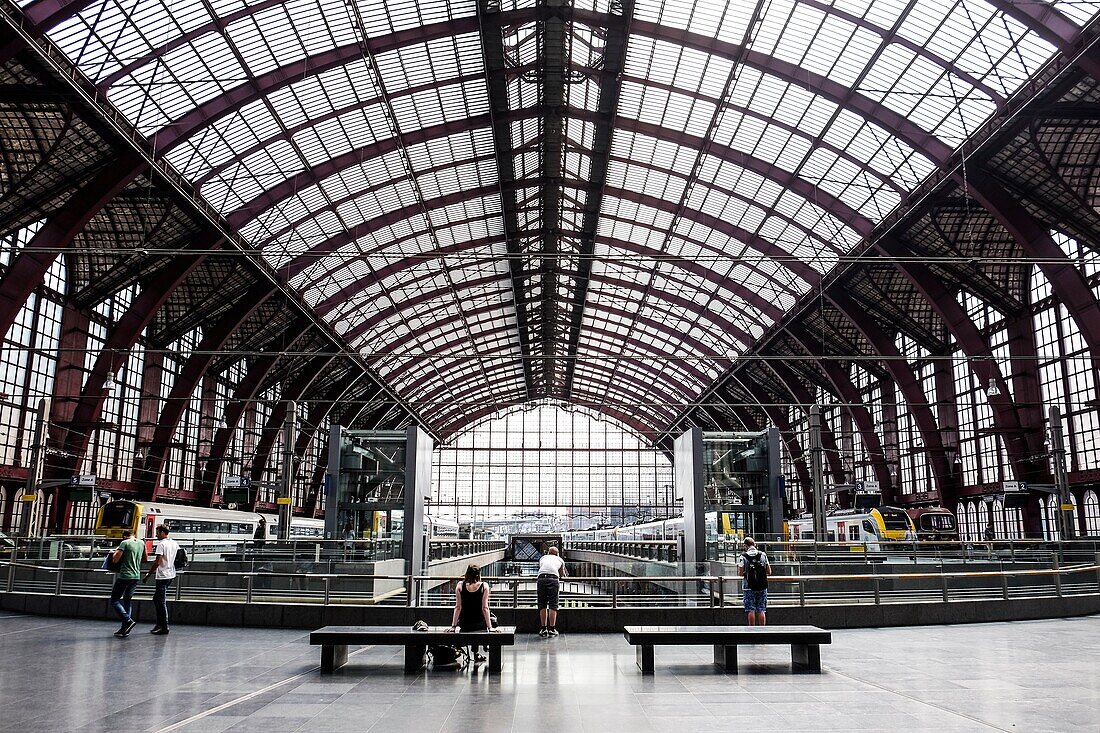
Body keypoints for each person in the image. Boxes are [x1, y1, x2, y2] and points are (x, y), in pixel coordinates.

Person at [445, 564, 499, 663]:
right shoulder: (484, 586)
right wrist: (490, 627)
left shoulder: (460, 585)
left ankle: (476, 653)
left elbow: (458, 607)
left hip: (465, 624)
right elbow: (485, 608)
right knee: (487, 620)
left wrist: (453, 626)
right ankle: (481, 649)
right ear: (479, 574)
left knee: (472, 624)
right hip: (480, 624)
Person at [109, 529, 146, 637]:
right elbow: (145, 558)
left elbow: (115, 560)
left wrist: (115, 551)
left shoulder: (124, 543)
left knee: (114, 600)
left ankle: (128, 620)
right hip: (136, 576)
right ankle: (125, 628)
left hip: (125, 575)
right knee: (127, 600)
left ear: (124, 536)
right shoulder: (141, 543)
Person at [143, 524, 179, 635]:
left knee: (161, 601)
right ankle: (159, 624)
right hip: (171, 574)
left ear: (163, 533)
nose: (156, 535)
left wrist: (148, 574)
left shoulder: (161, 545)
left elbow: (157, 562)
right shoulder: (174, 543)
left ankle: (164, 626)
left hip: (162, 576)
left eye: (157, 532)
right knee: (157, 599)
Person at [737, 537, 770, 626]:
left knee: (751, 610)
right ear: (754, 544)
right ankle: (762, 631)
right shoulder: (763, 555)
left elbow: (740, 573)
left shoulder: (743, 556)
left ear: (745, 546)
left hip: (748, 587)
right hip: (762, 586)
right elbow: (769, 571)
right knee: (761, 609)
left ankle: (752, 631)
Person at [536, 545, 566, 637]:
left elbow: (542, 568)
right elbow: (562, 574)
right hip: (553, 579)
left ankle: (543, 629)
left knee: (542, 604)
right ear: (557, 554)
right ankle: (552, 629)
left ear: (548, 553)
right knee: (553, 605)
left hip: (541, 579)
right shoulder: (560, 560)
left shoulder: (543, 558)